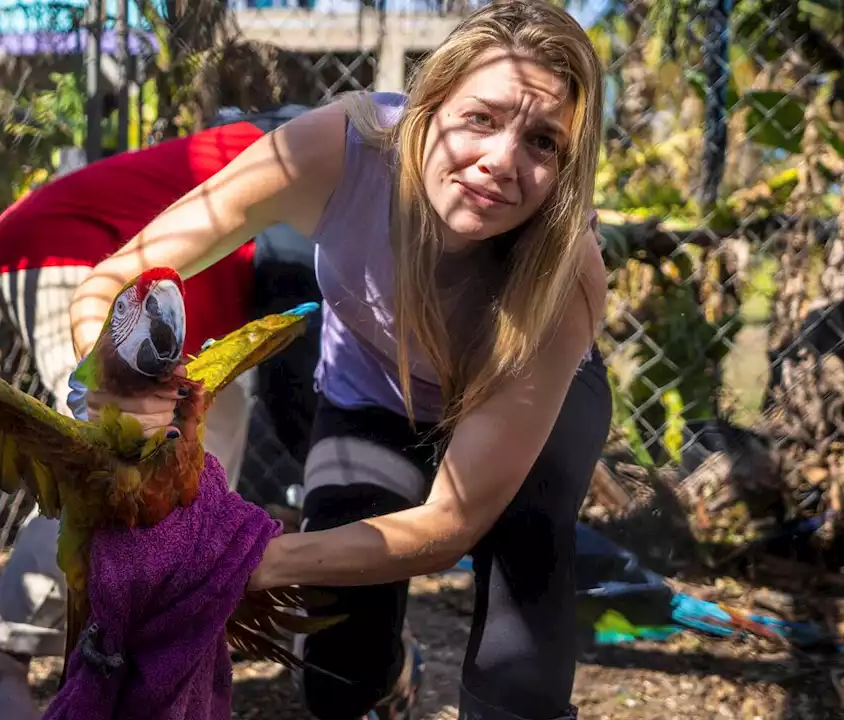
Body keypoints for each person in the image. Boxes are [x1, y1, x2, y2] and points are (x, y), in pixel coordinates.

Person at [64, 3, 612, 720]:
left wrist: (243, 561)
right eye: (480, 118)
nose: (501, 162)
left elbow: (451, 521)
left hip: (532, 412)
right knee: (339, 676)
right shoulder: (337, 149)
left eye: (542, 142)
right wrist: (113, 378)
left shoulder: (567, 272)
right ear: (427, 105)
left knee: (520, 664)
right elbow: (116, 278)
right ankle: (390, 679)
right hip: (374, 391)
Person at [0, 109, 333, 720]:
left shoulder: (288, 145)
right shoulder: (318, 160)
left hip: (127, 290)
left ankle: (162, 634)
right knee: (114, 474)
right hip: (78, 258)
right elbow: (300, 371)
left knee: (192, 463)